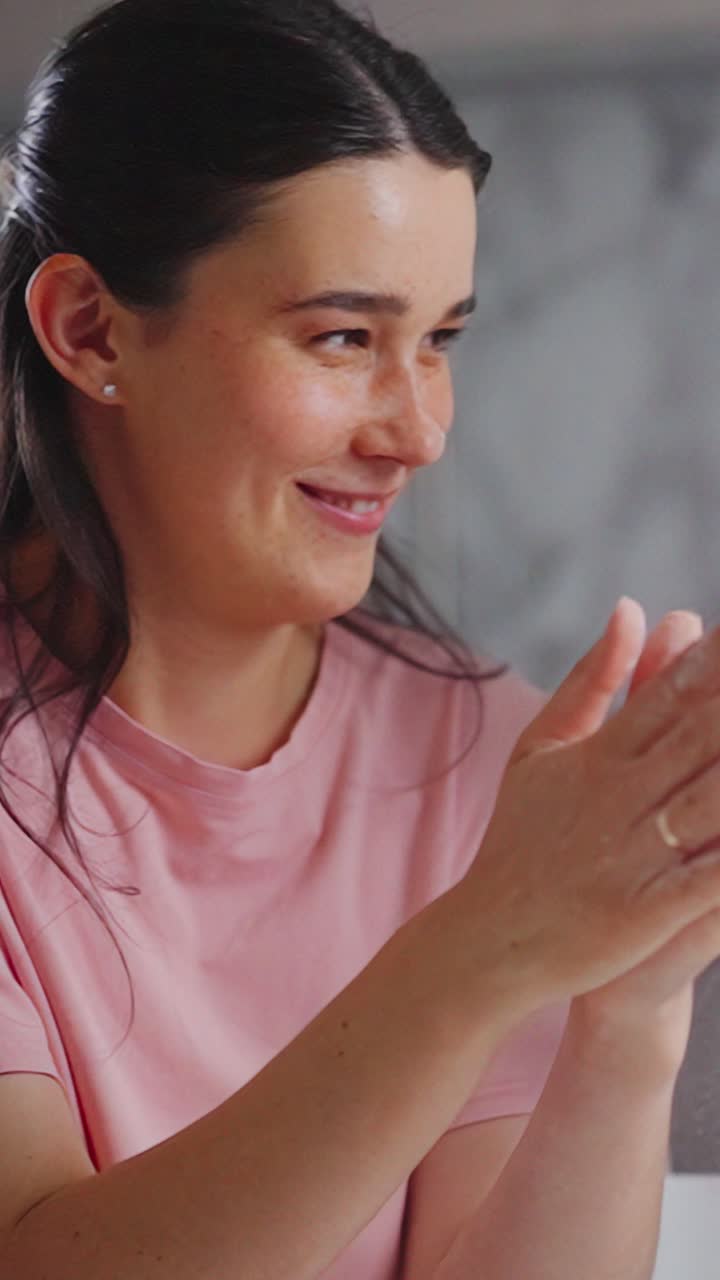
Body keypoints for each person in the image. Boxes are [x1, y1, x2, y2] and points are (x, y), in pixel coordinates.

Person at [0, 1, 719, 1277]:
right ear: (90, 330)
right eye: (343, 337)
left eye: (438, 340)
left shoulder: (484, 751)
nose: (419, 431)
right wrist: (483, 946)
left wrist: (632, 1009)